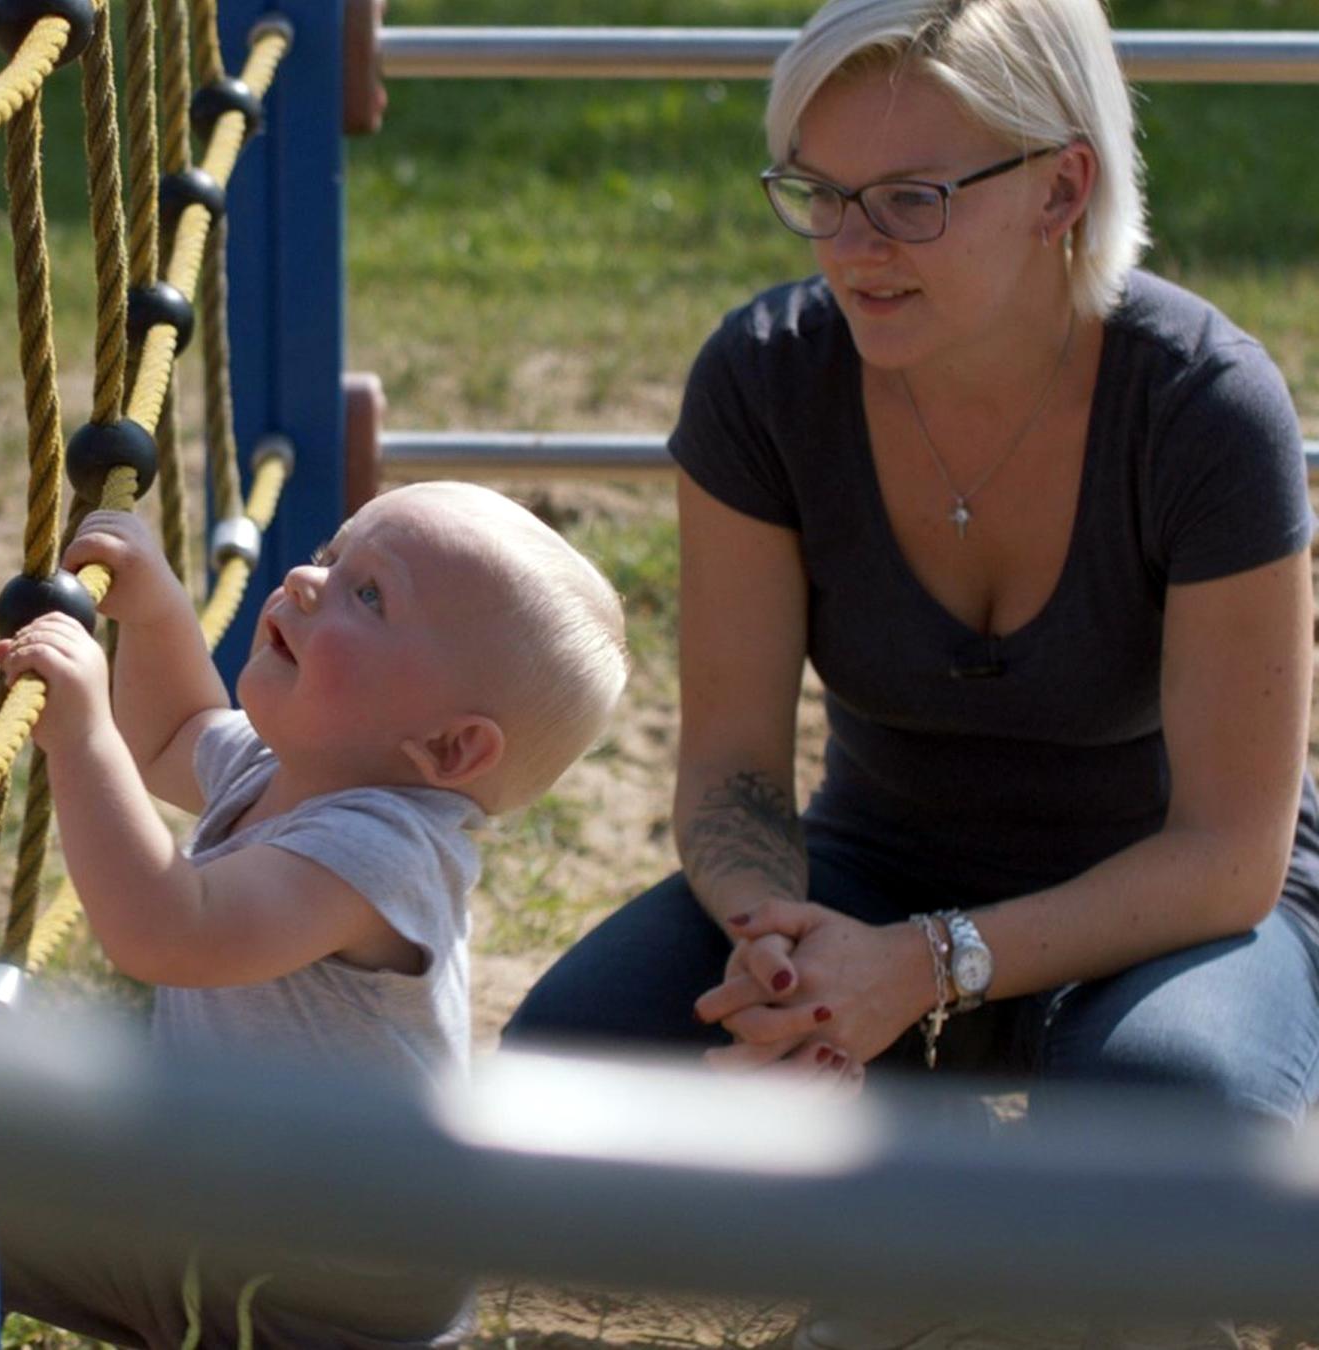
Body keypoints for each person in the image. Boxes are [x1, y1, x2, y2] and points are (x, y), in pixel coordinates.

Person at [504, 0, 1319, 1341]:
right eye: (817, 195)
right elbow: (729, 772)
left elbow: (1230, 853)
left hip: (1174, 904)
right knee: (574, 1069)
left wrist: (928, 966)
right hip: (872, 866)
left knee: (1162, 1111)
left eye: (912, 198)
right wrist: (784, 948)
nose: (852, 246)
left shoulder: (1206, 406)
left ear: (1066, 184)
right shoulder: (766, 380)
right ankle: (926, 1243)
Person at [0, 482, 627, 1348]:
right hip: (245, 1221)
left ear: (449, 748)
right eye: (332, 553)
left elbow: (168, 931)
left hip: (320, 1286)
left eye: (369, 595)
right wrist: (156, 614)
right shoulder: (286, 764)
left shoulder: (379, 852)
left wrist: (78, 734)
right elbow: (174, 734)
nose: (302, 578)